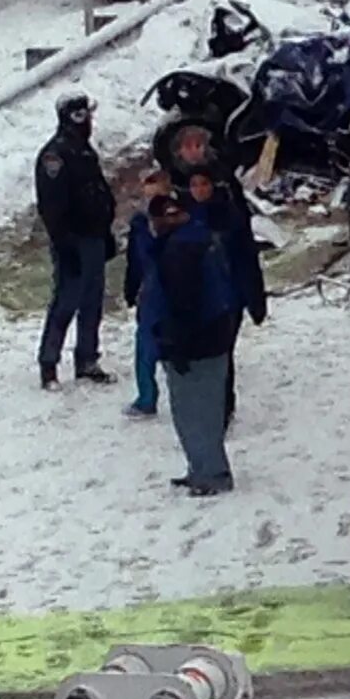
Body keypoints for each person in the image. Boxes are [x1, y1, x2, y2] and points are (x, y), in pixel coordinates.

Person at [152, 177, 243, 495]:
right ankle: (202, 468)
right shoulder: (196, 239)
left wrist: (175, 343)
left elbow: (183, 304)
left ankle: (211, 473)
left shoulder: (179, 251)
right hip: (214, 336)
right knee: (198, 408)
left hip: (198, 343)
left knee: (195, 411)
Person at [34, 92, 116, 389]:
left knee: (92, 300)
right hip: (73, 241)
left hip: (93, 237)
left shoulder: (83, 150)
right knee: (66, 300)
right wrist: (64, 241)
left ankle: (87, 359)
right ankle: (49, 363)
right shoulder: (54, 155)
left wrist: (105, 231)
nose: (89, 121)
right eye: (84, 115)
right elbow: (52, 206)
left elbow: (97, 192)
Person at [119, 172, 169, 418]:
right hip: (149, 294)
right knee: (145, 348)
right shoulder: (140, 224)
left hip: (174, 291)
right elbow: (134, 261)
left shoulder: (177, 220)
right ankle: (146, 398)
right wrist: (131, 287)